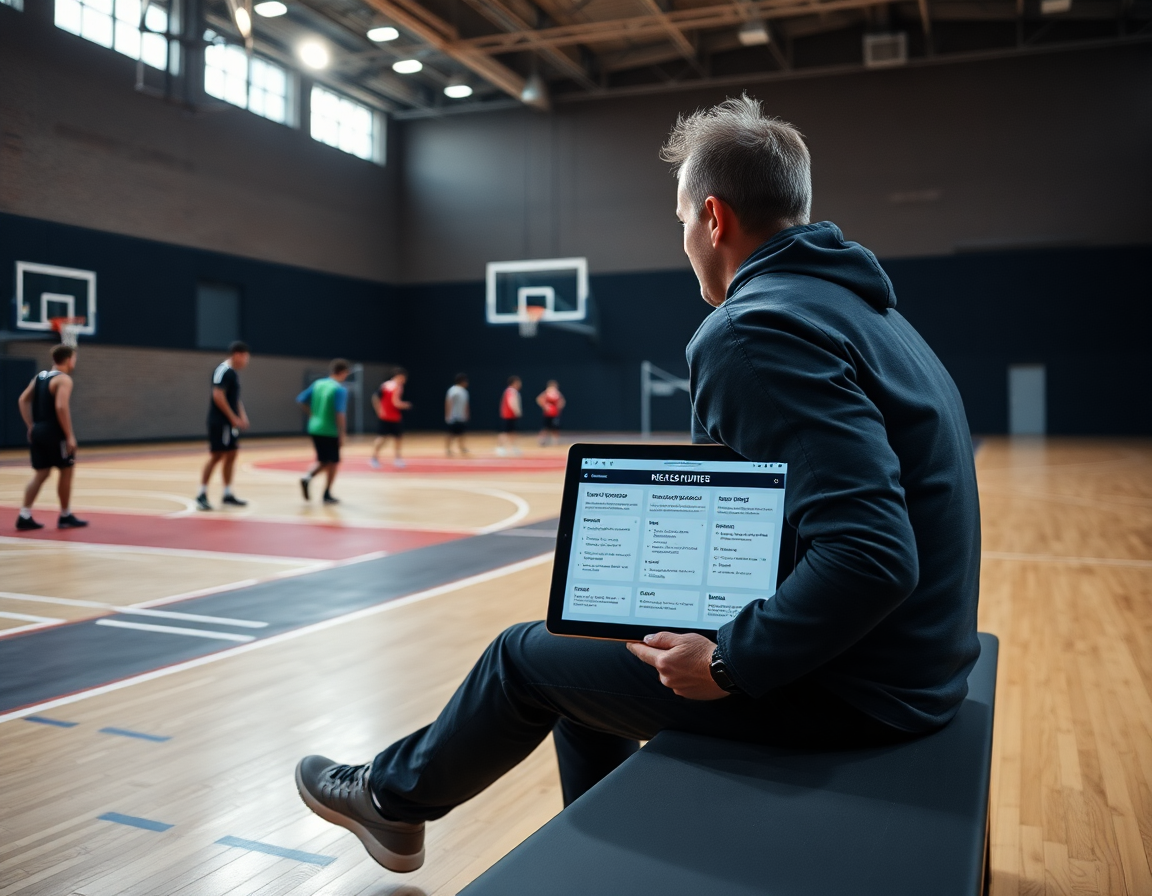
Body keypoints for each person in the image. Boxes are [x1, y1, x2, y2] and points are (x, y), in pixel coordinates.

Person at [294, 95, 981, 875]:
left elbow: (872, 555)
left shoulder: (755, 329)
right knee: (597, 648)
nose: (683, 239)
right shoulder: (866, 310)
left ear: (714, 220)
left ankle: (390, 803)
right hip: (917, 665)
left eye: (681, 218)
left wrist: (728, 663)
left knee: (521, 659)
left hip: (861, 688)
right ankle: (627, 867)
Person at [15, 344, 88, 530]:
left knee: (42, 473)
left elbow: (22, 400)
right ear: (69, 359)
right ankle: (65, 516)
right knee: (66, 470)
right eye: (74, 358)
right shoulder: (64, 380)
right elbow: (61, 407)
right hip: (55, 432)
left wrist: (31, 425)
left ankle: (24, 515)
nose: (75, 362)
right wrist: (70, 435)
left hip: (38, 430)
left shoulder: (40, 376)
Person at [196, 341, 251, 511]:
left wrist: (242, 415)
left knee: (232, 454)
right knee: (217, 456)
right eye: (245, 358)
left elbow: (233, 398)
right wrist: (232, 417)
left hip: (230, 423)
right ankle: (201, 494)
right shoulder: (223, 371)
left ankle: (227, 493)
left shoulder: (233, 374)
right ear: (237, 355)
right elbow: (218, 396)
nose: (246, 362)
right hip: (219, 422)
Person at [297, 359, 351, 505]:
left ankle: (309, 478)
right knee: (333, 462)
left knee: (324, 460)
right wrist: (342, 433)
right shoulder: (339, 389)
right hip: (330, 430)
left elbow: (301, 400)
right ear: (343, 372)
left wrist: (313, 414)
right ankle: (326, 492)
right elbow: (340, 414)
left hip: (314, 427)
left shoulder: (318, 384)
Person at [371, 368, 411, 469]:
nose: (404, 380)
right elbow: (395, 403)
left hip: (389, 416)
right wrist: (405, 405)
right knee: (393, 438)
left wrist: (379, 411)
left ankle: (375, 458)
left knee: (389, 438)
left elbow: (375, 397)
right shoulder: (397, 386)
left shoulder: (385, 384)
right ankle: (396, 459)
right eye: (403, 378)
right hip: (391, 416)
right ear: (398, 376)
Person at [444, 373, 470, 457]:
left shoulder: (464, 391)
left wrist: (466, 413)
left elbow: (466, 404)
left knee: (461, 433)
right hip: (454, 416)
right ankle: (448, 449)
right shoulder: (453, 390)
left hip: (461, 417)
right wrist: (448, 415)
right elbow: (448, 402)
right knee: (451, 434)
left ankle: (462, 447)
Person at [495, 375, 522, 456]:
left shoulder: (510, 391)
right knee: (505, 433)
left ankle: (513, 448)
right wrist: (517, 411)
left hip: (510, 415)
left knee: (512, 432)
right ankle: (500, 448)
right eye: (518, 382)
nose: (520, 384)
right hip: (508, 415)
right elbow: (512, 401)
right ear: (514, 383)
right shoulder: (511, 391)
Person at [536, 380, 565, 446]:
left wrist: (558, 408)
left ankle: (555, 442)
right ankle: (542, 440)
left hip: (554, 414)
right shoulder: (546, 392)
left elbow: (562, 401)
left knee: (555, 428)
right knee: (546, 427)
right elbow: (539, 399)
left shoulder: (557, 393)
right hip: (548, 414)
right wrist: (545, 406)